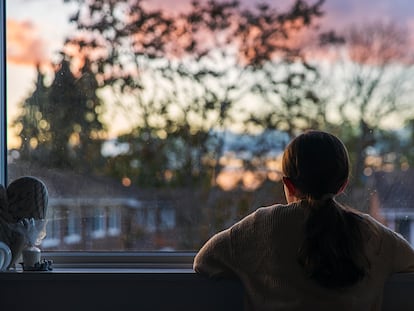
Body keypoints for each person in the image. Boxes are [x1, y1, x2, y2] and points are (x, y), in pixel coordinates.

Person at [193, 130, 414, 310]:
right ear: (343, 185)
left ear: (288, 185)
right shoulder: (371, 233)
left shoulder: (263, 226)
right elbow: (409, 261)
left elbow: (204, 261)